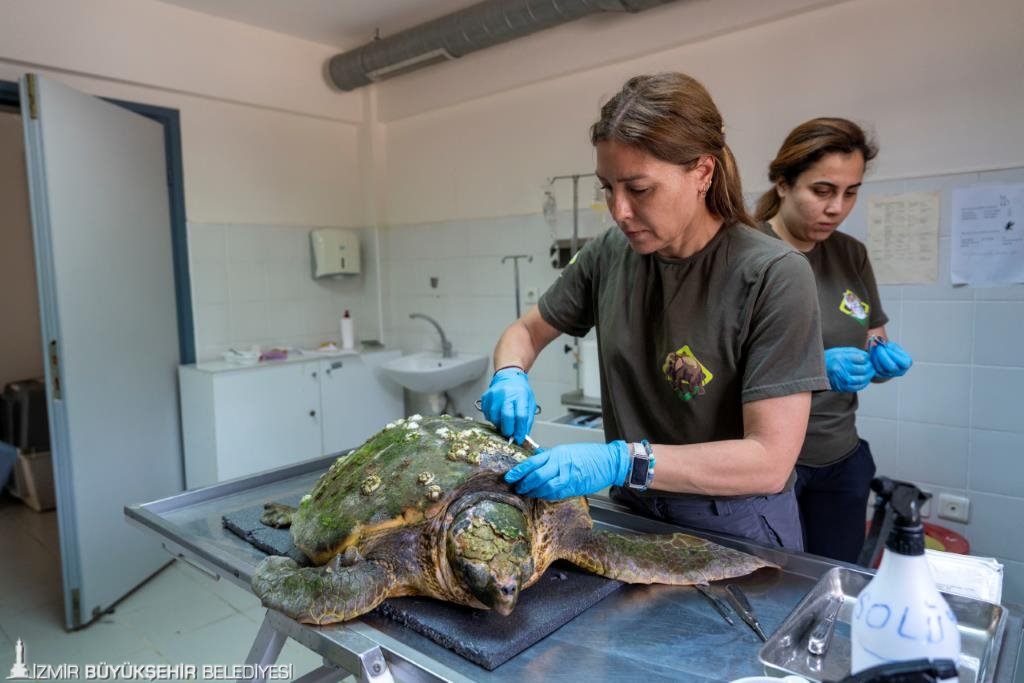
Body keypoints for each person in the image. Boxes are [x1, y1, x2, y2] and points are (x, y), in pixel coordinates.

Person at [479, 73, 831, 550]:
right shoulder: (610, 254)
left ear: (703, 173)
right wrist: (509, 374)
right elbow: (527, 330)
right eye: (608, 188)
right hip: (635, 511)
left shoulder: (773, 274)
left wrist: (623, 462)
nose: (619, 210)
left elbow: (768, 461)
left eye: (640, 189)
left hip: (734, 525)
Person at [754, 117, 913, 562]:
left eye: (850, 192)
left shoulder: (850, 253)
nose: (837, 208)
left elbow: (871, 336)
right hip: (770, 466)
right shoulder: (745, 251)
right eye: (822, 191)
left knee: (835, 580)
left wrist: (880, 359)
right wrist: (814, 368)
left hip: (841, 459)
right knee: (772, 584)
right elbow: (720, 366)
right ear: (783, 183)